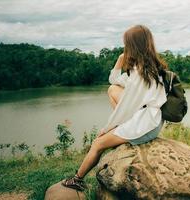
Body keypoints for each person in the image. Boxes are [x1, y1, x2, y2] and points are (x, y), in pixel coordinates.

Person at [61, 24, 168, 191]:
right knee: (112, 90)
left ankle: (77, 179)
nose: (125, 47)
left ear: (133, 46)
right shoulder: (149, 68)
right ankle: (118, 131)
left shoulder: (140, 73)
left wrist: (108, 128)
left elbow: (125, 108)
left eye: (127, 44)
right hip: (150, 120)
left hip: (145, 125)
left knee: (98, 144)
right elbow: (114, 81)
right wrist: (119, 61)